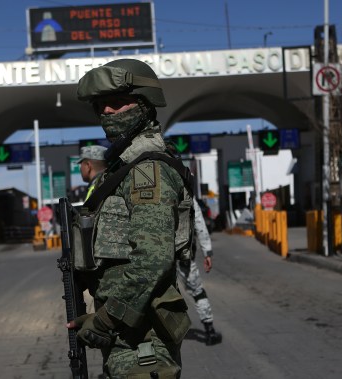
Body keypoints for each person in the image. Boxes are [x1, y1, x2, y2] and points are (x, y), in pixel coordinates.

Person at [67, 59, 194, 378]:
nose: (107, 112)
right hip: (127, 332)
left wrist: (105, 319)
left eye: (116, 102)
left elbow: (152, 261)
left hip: (142, 336)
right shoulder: (124, 170)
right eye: (101, 106)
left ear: (144, 105)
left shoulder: (147, 172)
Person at [177, 199, 222, 345]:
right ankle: (209, 331)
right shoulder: (186, 193)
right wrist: (207, 252)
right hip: (183, 254)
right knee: (198, 292)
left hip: (160, 257)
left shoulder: (155, 189)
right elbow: (199, 225)